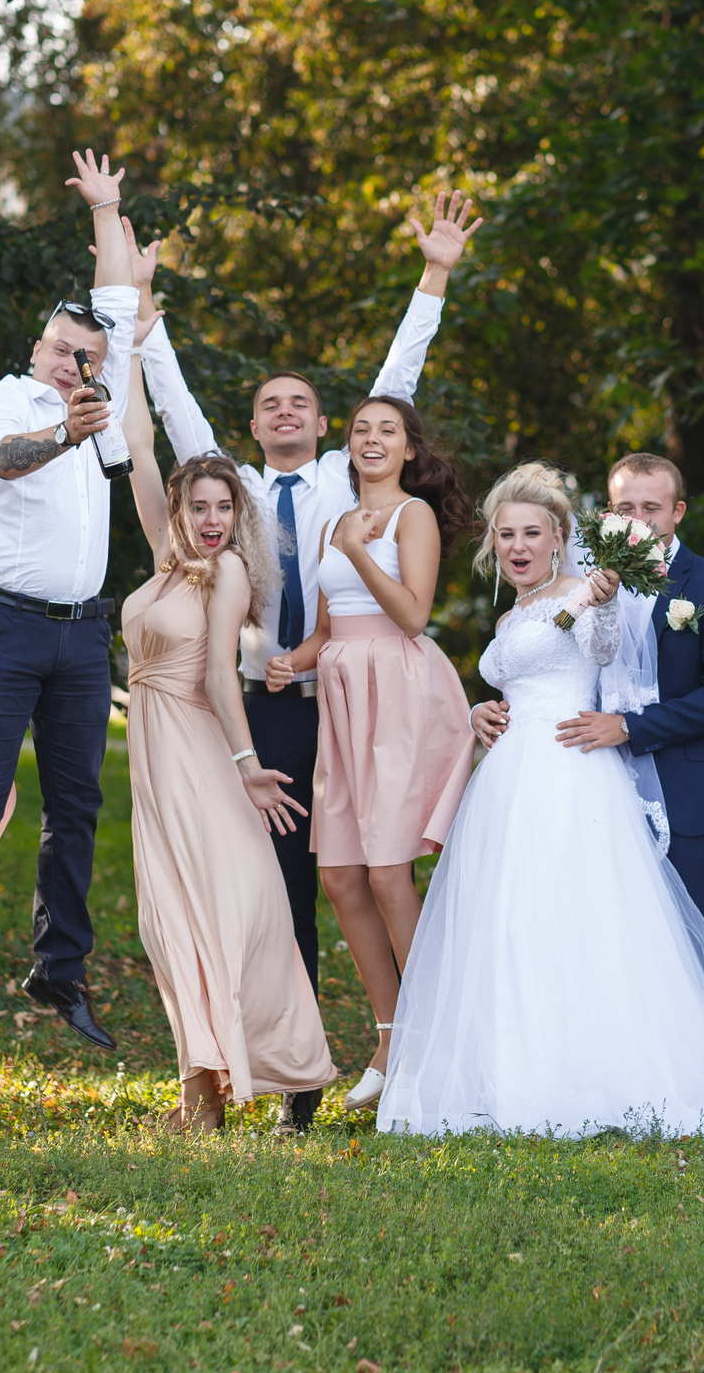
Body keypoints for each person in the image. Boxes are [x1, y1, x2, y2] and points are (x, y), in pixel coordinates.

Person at [135, 192, 477, 1119]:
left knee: (373, 870)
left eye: (303, 402)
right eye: (268, 402)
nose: (286, 408)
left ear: (328, 425)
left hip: (362, 696)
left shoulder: (349, 479)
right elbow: (171, 408)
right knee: (288, 882)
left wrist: (434, 273)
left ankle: (405, 1039)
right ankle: (294, 1070)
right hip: (268, 700)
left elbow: (398, 377)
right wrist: (144, 314)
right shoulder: (230, 489)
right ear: (251, 427)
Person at [380, 464, 704, 1138]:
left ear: (561, 538)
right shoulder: (511, 611)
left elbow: (605, 649)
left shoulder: (588, 595)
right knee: (509, 921)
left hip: (570, 771)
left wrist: (603, 600)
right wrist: (479, 711)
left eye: (532, 532)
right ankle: (513, 1068)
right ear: (493, 543)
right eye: (506, 535)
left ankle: (614, 1072)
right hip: (507, 780)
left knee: (582, 921)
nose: (518, 545)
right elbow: (514, 675)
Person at [0, 149, 139, 1057]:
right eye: (60, 348)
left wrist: (106, 211)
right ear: (37, 348)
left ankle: (60, 968)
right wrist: (63, 431)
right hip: (5, 624)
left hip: (82, 635)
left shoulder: (103, 396)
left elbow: (119, 300)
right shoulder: (8, 400)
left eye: (85, 354)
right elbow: (0, 462)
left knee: (79, 804)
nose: (73, 361)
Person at [113, 341, 336, 1131]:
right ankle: (198, 1090)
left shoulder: (231, 571)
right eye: (200, 508)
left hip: (201, 753)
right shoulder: (166, 561)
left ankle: (220, 1092)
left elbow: (215, 676)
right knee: (168, 921)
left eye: (223, 509)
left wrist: (246, 765)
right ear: (180, 512)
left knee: (213, 914)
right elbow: (138, 443)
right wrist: (126, 339)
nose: (213, 522)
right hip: (154, 754)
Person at [482, 453, 704, 1058]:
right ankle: (631, 1060)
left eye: (651, 508)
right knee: (611, 930)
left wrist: (631, 727)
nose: (637, 518)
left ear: (677, 511)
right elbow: (545, 663)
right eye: (625, 507)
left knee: (700, 931)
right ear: (608, 513)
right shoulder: (586, 584)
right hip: (589, 783)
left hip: (686, 786)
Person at [263, 395, 476, 1110]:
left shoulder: (410, 516)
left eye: (388, 430)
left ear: (410, 448)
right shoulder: (333, 521)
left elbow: (413, 613)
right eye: (362, 429)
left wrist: (358, 549)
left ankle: (432, 1041)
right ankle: (391, 1035)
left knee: (389, 873)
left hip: (401, 696)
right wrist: (291, 661)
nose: (373, 439)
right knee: (343, 879)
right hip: (344, 701)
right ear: (348, 444)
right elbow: (332, 629)